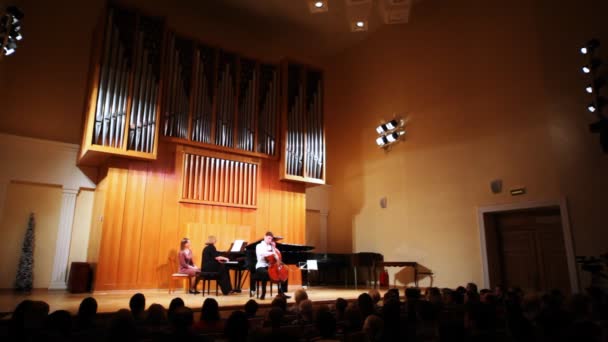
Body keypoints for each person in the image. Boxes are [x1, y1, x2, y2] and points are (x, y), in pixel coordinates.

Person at [255, 231, 290, 299]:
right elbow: (262, 253)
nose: (270, 240)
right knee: (265, 273)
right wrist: (272, 253)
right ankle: (263, 293)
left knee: (282, 273)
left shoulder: (271, 246)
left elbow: (278, 254)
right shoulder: (259, 246)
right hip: (261, 266)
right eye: (268, 238)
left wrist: (274, 248)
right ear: (264, 237)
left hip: (271, 266)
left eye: (271, 239)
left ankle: (281, 293)